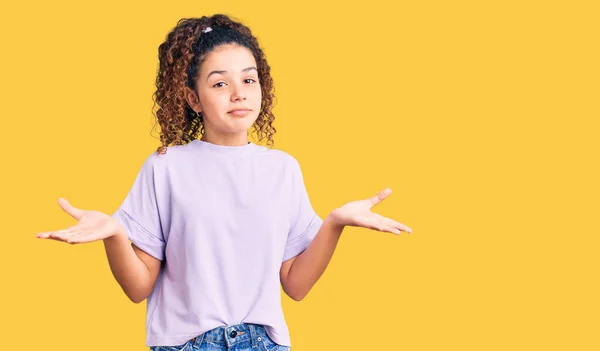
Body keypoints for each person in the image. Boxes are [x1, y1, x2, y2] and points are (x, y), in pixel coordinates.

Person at [35, 14, 413, 351]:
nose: (239, 93)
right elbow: (138, 289)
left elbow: (296, 286)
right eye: (219, 84)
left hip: (263, 343)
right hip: (187, 345)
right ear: (192, 98)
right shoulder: (165, 168)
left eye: (249, 79)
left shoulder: (282, 170)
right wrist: (116, 234)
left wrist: (335, 223)